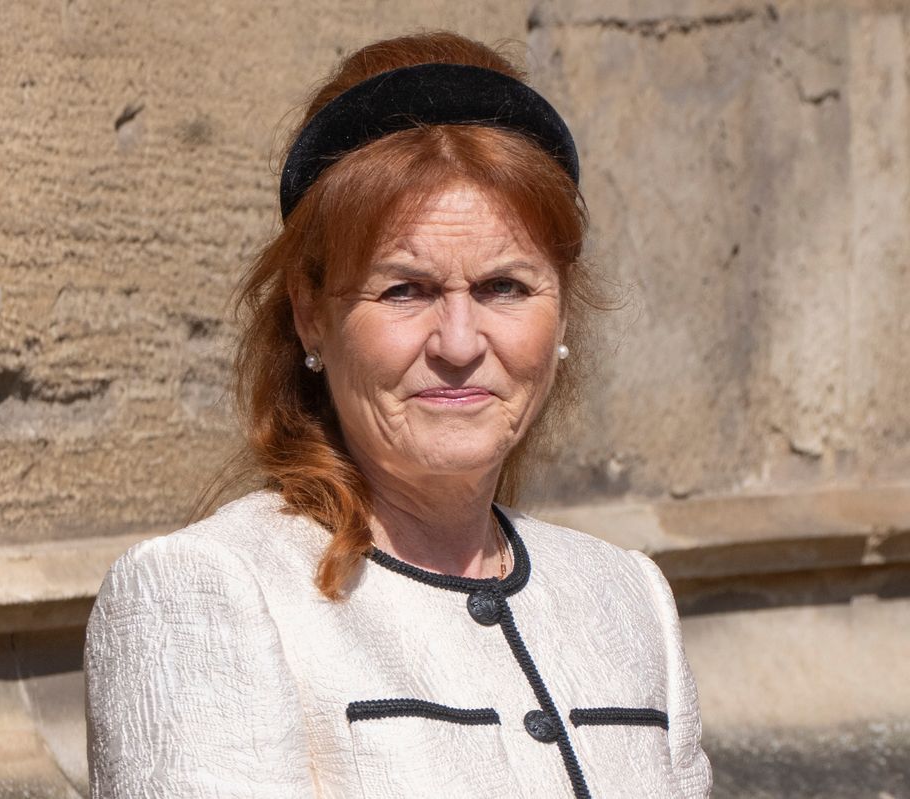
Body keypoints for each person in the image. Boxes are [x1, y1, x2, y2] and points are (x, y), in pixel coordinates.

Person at [85, 31, 712, 799]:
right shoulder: (209, 590)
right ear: (312, 315)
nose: (458, 343)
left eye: (505, 287)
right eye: (404, 291)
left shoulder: (627, 599)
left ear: (563, 314)